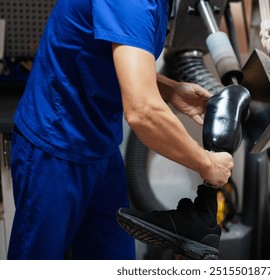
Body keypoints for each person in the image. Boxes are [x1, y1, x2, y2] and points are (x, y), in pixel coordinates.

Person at [8, 0, 233, 260]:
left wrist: (171, 90)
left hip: (100, 146)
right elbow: (143, 113)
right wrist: (206, 164)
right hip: (55, 145)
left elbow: (112, 54)